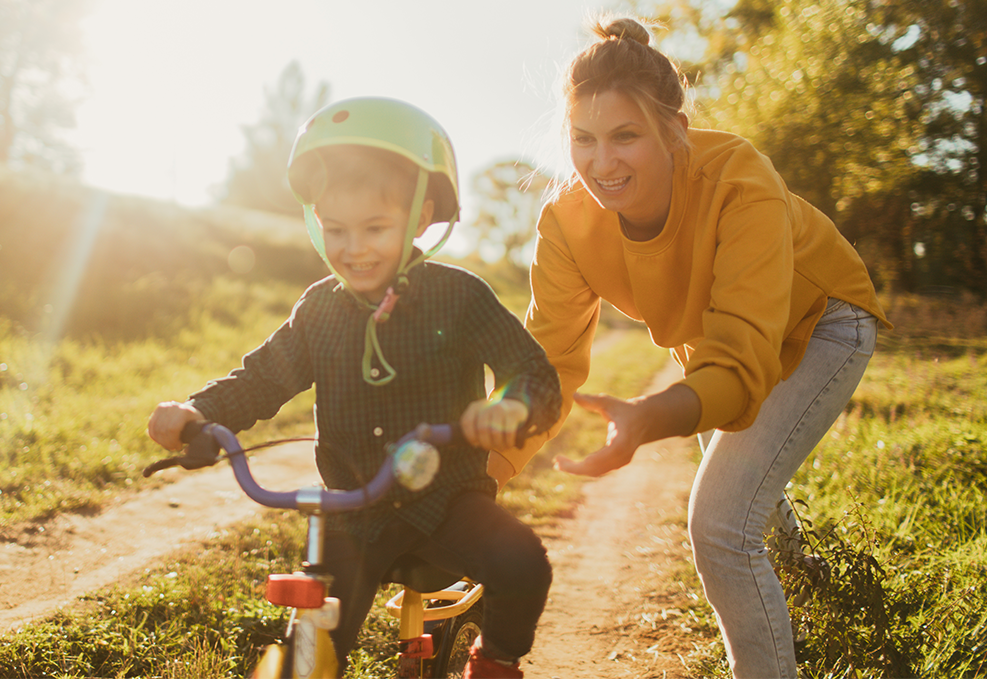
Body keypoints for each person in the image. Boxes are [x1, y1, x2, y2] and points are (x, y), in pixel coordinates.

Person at [507, 15, 892, 679]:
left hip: (823, 318)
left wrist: (651, 416)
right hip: (715, 337)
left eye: (626, 136)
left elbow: (744, 364)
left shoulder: (739, 179)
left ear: (674, 133)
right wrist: (475, 474)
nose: (602, 162)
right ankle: (803, 565)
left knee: (719, 526)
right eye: (583, 139)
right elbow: (548, 361)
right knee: (737, 465)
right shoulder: (565, 223)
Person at [147, 97, 560, 678]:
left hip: (447, 504)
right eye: (336, 229)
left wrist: (512, 408)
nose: (353, 247)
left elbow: (535, 372)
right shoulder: (320, 310)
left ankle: (494, 662)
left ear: (418, 220)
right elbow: (264, 376)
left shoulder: (460, 298)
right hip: (351, 514)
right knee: (311, 649)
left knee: (523, 562)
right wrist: (198, 411)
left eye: (375, 228)